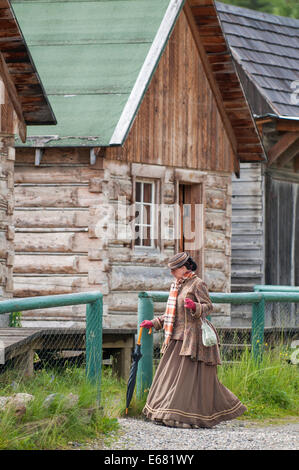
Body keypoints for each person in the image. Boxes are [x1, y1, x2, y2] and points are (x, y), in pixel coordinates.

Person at [140, 251, 247, 429]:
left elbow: (208, 306)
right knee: (169, 377)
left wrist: (195, 306)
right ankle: (163, 412)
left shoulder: (198, 284)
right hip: (176, 338)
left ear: (184, 268)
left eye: (174, 269)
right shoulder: (176, 286)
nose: (172, 273)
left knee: (187, 380)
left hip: (194, 340)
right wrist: (153, 323)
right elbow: (171, 314)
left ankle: (180, 416)